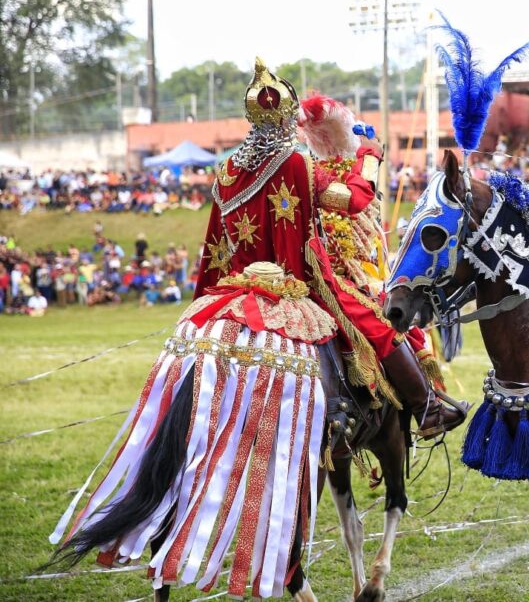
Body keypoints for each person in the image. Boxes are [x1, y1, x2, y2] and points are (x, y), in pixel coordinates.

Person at [50, 59, 339, 598]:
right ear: (285, 118)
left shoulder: (227, 168)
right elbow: (303, 244)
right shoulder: (295, 162)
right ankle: (370, 414)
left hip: (222, 299)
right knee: (354, 346)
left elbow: (214, 248)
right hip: (280, 296)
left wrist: (206, 297)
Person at [297, 91, 467, 438]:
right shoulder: (309, 171)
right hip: (321, 274)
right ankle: (427, 409)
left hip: (290, 270)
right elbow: (358, 200)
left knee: (401, 320)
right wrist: (371, 153)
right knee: (382, 325)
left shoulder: (282, 167)